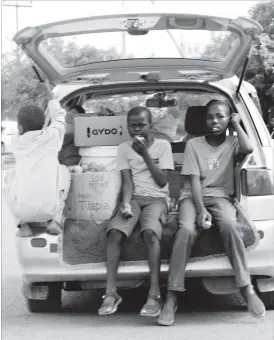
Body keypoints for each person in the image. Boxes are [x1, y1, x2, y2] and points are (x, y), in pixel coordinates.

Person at [158, 99, 266, 326]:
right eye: (210, 117)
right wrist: (200, 211)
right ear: (203, 120)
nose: (214, 121)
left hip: (220, 196)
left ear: (228, 118)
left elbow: (248, 149)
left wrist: (237, 125)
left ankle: (246, 288)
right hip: (193, 196)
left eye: (220, 116)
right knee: (186, 229)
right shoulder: (194, 144)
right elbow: (194, 181)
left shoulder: (233, 142)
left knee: (229, 223)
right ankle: (172, 295)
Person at [98, 106, 174, 317]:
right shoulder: (123, 148)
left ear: (151, 125)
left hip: (157, 198)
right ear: (127, 127)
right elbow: (127, 181)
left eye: (141, 124)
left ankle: (154, 293)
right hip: (134, 198)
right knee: (114, 233)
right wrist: (125, 202)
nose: (137, 129)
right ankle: (110, 293)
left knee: (150, 233)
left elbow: (162, 181)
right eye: (132, 125)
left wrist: (145, 155)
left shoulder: (163, 146)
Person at [3, 80, 71, 236]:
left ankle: (23, 226)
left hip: (21, 211)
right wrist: (50, 95)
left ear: (19, 127)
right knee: (63, 171)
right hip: (50, 209)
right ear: (44, 125)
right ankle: (56, 220)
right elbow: (59, 116)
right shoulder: (53, 136)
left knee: (9, 175)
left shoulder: (16, 142)